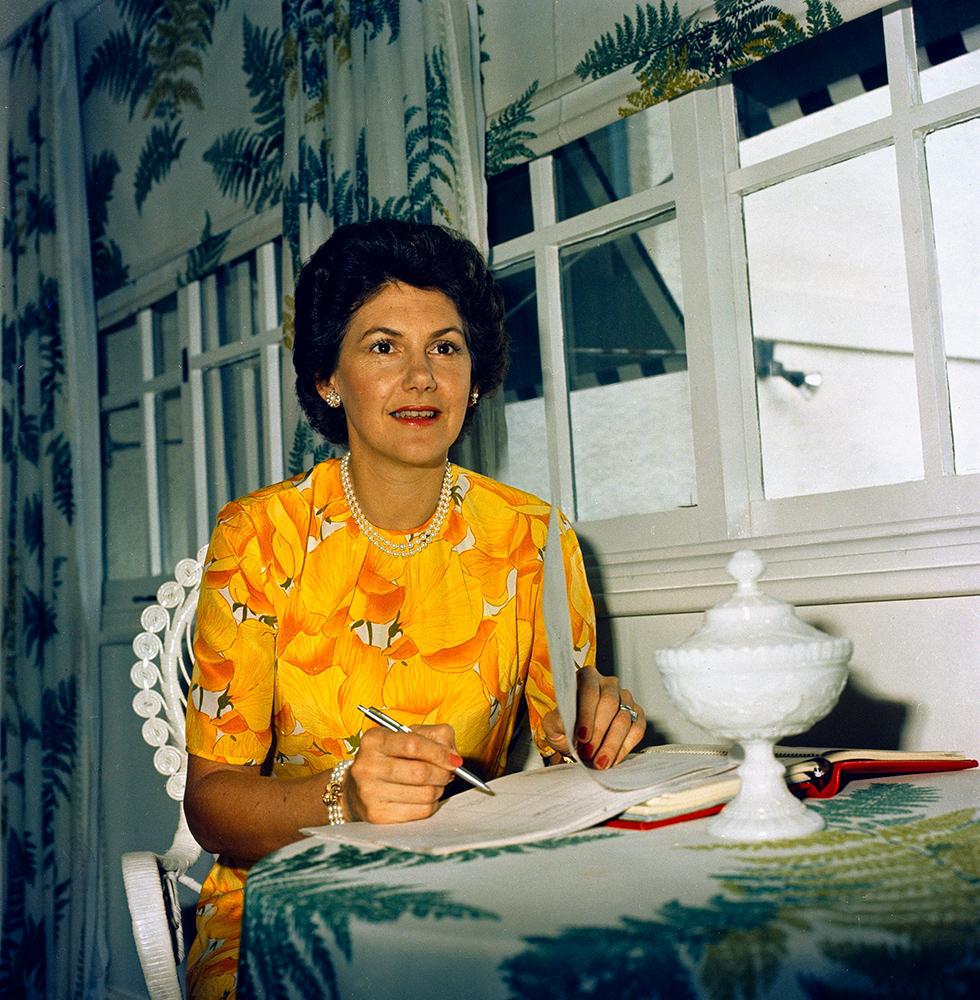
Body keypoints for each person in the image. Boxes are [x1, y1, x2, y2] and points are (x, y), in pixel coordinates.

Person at [182, 218, 646, 998]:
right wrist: (344, 798)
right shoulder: (258, 537)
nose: (422, 377)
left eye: (446, 346)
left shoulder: (534, 537)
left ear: (474, 373)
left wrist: (597, 722)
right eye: (383, 346)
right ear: (330, 378)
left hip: (482, 889)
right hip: (287, 897)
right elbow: (212, 805)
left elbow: (570, 761)